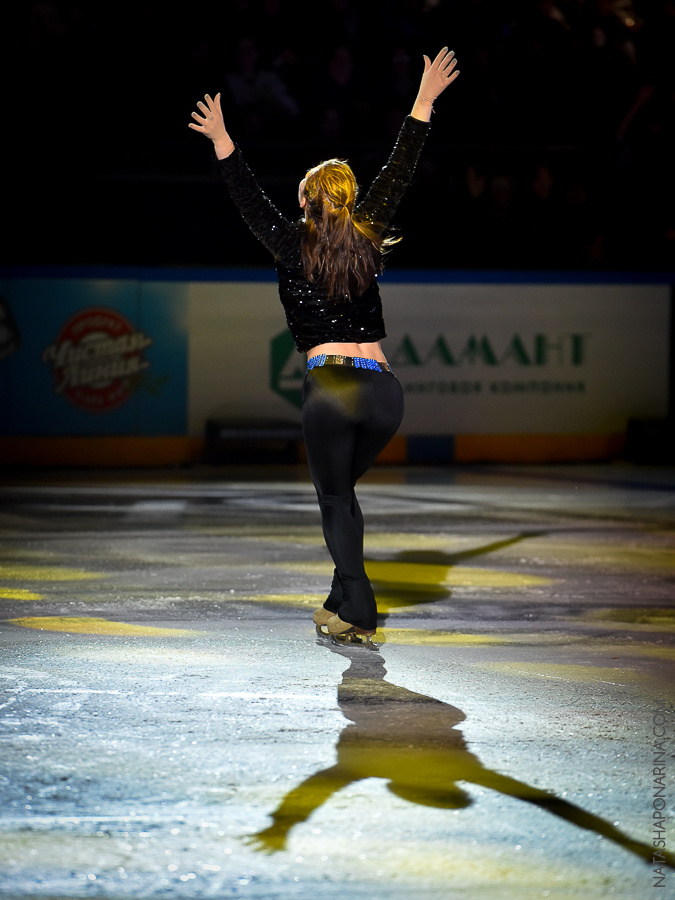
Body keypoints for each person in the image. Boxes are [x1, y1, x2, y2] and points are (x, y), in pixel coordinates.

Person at [189, 47, 460, 649]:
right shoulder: (367, 236)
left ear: (310, 200)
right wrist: (422, 101)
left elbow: (248, 199)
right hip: (386, 394)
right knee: (340, 495)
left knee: (334, 496)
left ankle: (358, 606)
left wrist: (223, 139)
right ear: (348, 199)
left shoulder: (289, 244)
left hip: (333, 388)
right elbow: (400, 169)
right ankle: (339, 599)